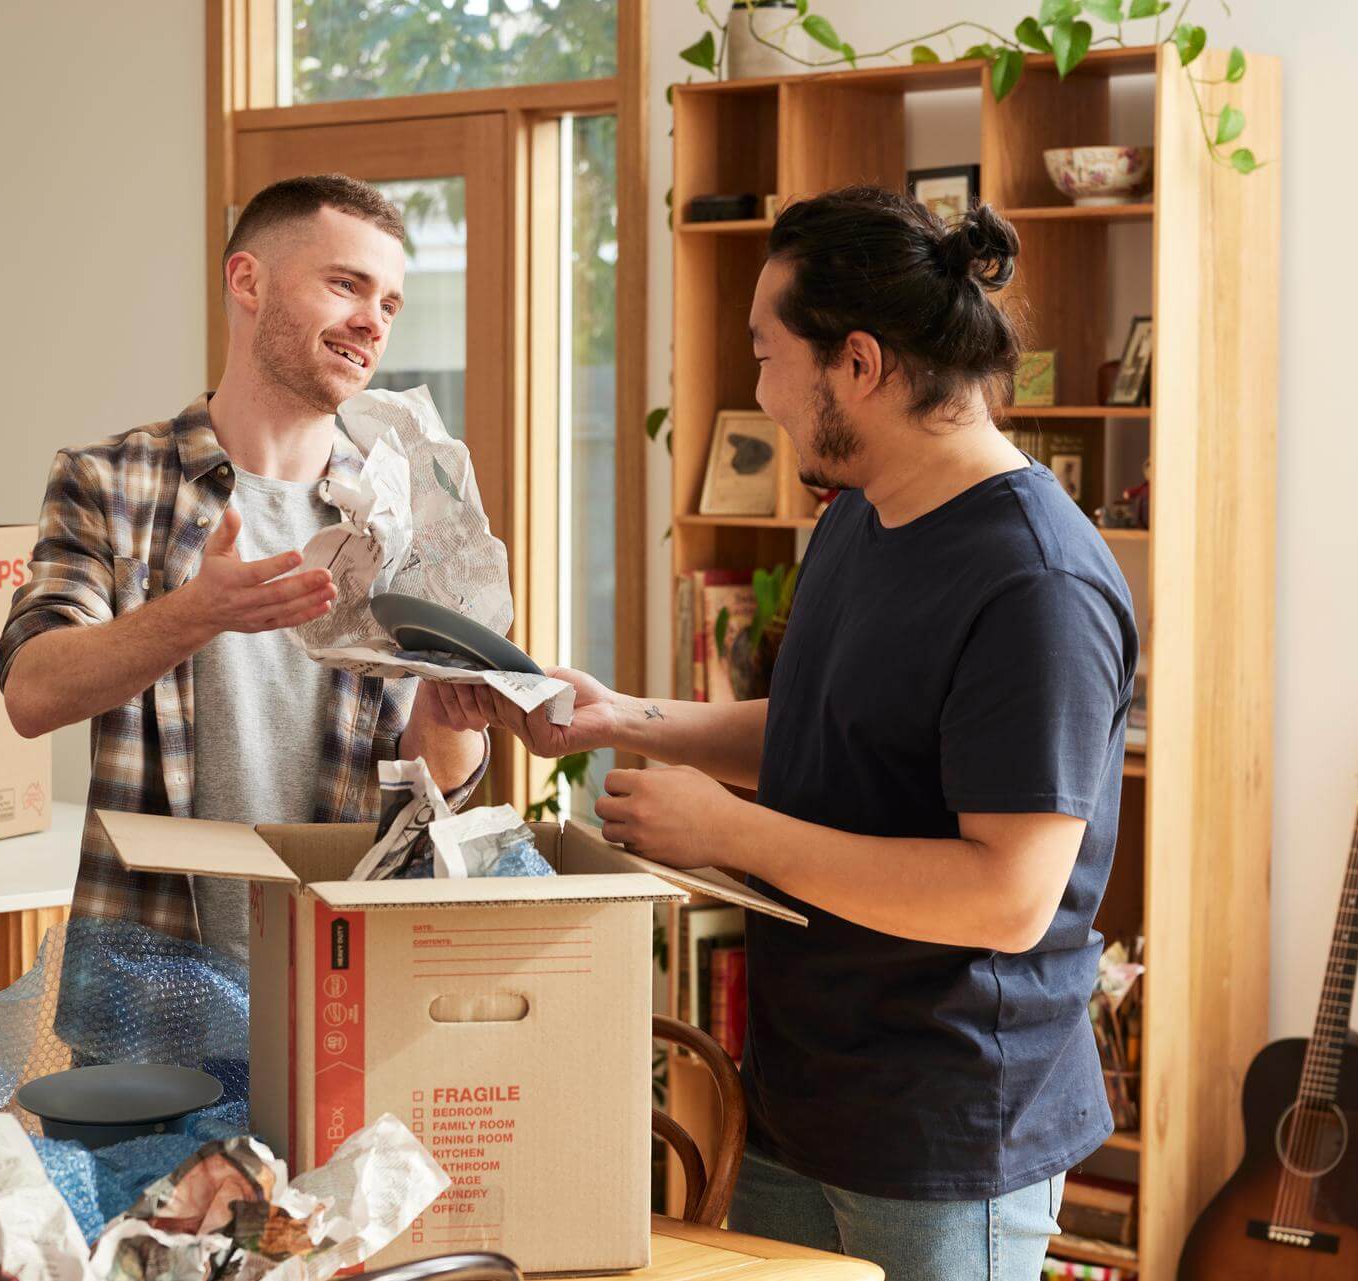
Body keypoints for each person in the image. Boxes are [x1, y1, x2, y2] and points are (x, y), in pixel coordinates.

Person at [482, 186, 1136, 1281]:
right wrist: (635, 719)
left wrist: (727, 833)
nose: (759, 393)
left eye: (769, 355)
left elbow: (1008, 897)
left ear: (860, 365)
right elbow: (835, 728)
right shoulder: (863, 514)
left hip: (942, 1133)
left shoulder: (1037, 581)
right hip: (804, 1095)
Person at [0, 174, 493, 957]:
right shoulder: (110, 482)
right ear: (248, 280)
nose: (373, 323)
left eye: (390, 304)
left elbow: (437, 797)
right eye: (346, 285)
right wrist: (196, 614)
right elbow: (32, 692)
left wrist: (452, 709)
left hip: (344, 976)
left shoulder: (407, 512)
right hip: (149, 998)